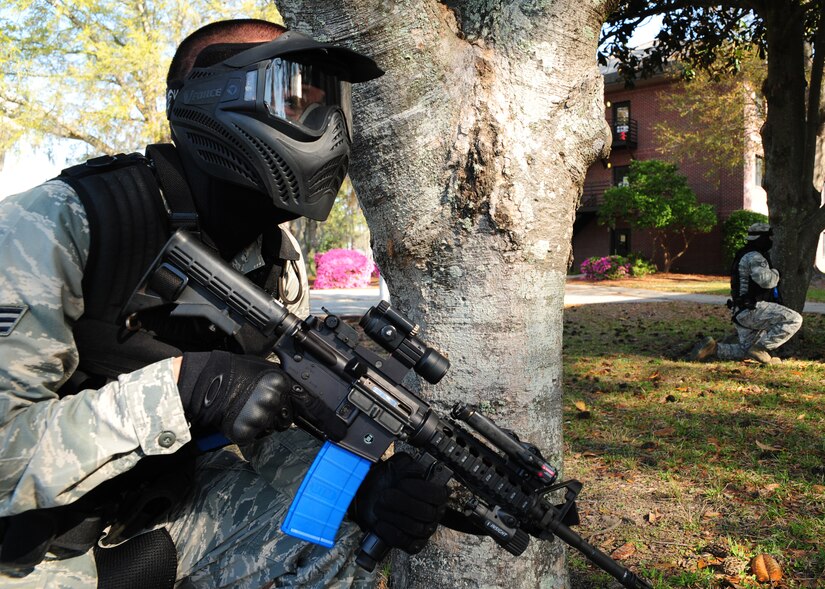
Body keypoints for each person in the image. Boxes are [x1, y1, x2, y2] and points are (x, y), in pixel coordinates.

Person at [0, 20, 447, 588]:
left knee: (328, 532)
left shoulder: (276, 255)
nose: (325, 128)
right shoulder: (56, 224)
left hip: (156, 505)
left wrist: (362, 494)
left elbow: (267, 421)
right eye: (294, 101)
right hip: (31, 546)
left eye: (329, 107)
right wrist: (183, 390)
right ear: (213, 98)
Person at [688, 223, 802, 364]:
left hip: (741, 311)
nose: (770, 241)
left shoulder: (744, 254)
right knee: (794, 319)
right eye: (768, 237)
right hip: (753, 310)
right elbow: (767, 282)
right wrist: (776, 273)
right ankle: (762, 348)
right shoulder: (755, 257)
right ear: (761, 238)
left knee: (747, 351)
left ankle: (713, 349)